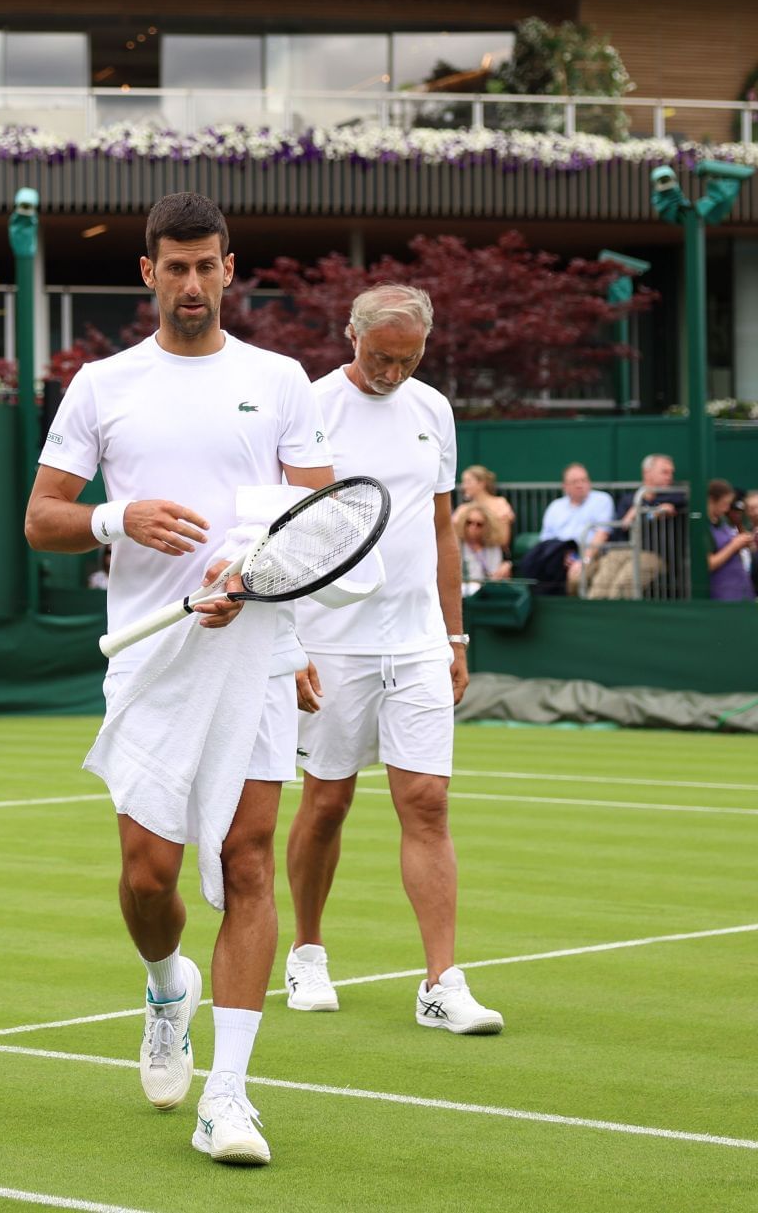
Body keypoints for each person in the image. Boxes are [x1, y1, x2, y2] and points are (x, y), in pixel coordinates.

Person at [25, 191, 332, 1167]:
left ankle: (229, 1097)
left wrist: (263, 592)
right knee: (148, 878)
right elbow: (41, 519)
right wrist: (119, 519)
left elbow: (318, 523)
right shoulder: (102, 385)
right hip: (152, 659)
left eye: (208, 266)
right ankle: (166, 986)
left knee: (248, 863)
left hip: (258, 649)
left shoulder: (283, 380)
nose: (192, 284)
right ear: (146, 274)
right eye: (175, 266)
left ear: (230, 271)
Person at [286, 283, 503, 1037]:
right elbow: (286, 533)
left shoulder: (433, 409)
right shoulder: (308, 405)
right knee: (326, 802)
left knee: (428, 802)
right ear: (351, 335)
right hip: (330, 638)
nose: (392, 371)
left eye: (407, 359)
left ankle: (441, 980)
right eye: (381, 357)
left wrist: (456, 636)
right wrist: (290, 644)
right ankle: (307, 951)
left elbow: (442, 528)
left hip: (416, 641)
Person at [585, 454, 681, 599]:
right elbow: (621, 527)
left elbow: (677, 505)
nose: (670, 476)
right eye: (664, 472)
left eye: (671, 472)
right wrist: (636, 513)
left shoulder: (675, 496)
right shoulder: (629, 500)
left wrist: (647, 513)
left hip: (653, 554)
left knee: (621, 588)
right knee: (600, 587)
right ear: (647, 473)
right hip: (622, 551)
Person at [532, 463, 615, 593]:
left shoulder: (602, 500)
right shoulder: (555, 506)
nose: (580, 485)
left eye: (584, 480)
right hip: (559, 557)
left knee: (575, 577)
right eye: (575, 482)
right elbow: (546, 540)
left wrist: (584, 560)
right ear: (565, 486)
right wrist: (561, 555)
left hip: (592, 556)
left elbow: (602, 534)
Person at [705, 479, 756, 601]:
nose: (727, 509)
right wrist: (734, 545)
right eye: (725, 503)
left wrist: (745, 542)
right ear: (712, 500)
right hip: (724, 595)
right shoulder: (704, 527)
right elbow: (708, 563)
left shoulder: (722, 522)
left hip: (743, 592)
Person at [454, 504, 512, 592]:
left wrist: (503, 570)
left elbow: (494, 576)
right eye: (469, 522)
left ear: (487, 527)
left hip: (485, 592)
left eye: (479, 524)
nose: (473, 527)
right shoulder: (456, 544)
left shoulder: (493, 546)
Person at [457, 465, 514, 549]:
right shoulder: (463, 508)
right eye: (463, 482)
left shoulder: (500, 503)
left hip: (494, 554)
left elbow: (504, 539)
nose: (464, 486)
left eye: (468, 482)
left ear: (481, 483)